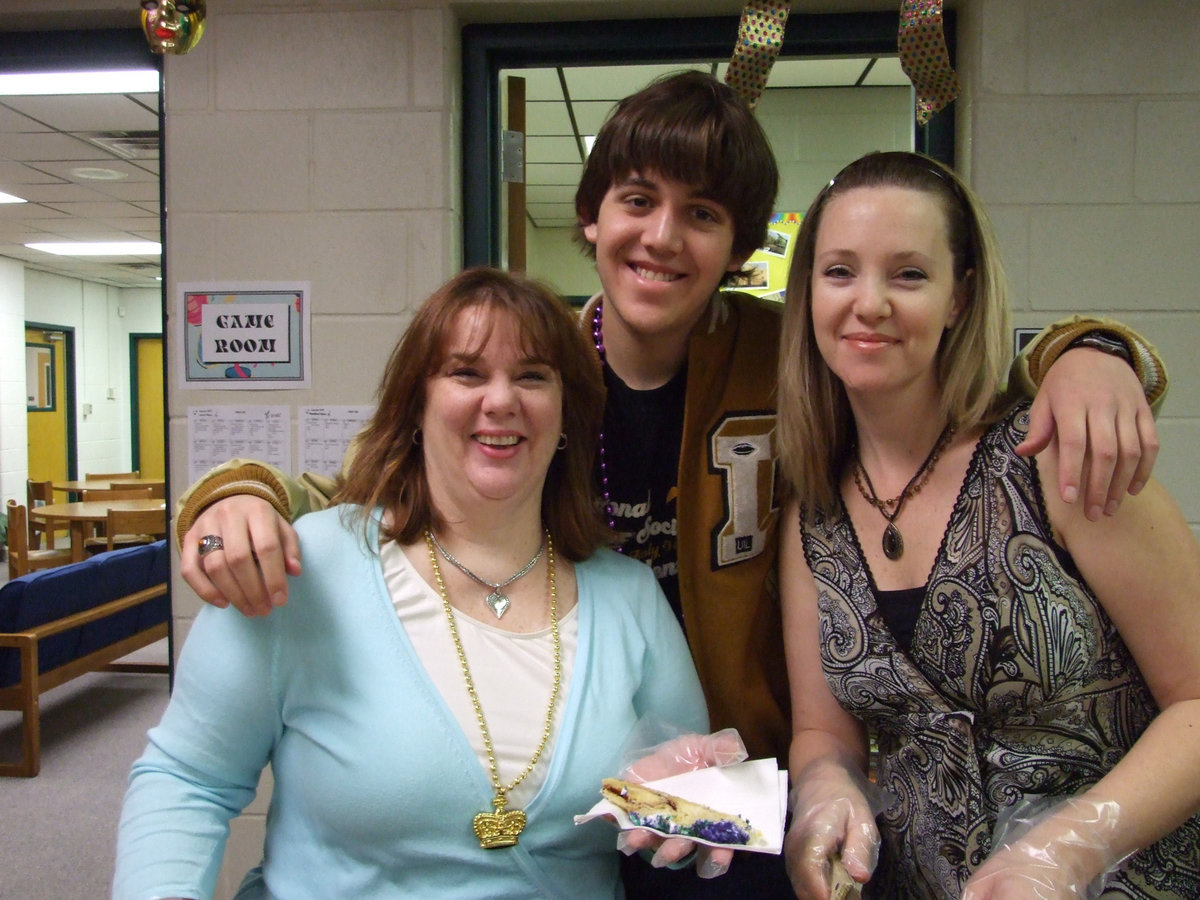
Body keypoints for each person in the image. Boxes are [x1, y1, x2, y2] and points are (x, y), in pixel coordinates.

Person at [170, 73, 1165, 897]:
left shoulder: (792, 354)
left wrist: (1090, 353)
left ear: (740, 250)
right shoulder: (542, 366)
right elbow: (388, 475)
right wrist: (238, 490)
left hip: (745, 770)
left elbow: (932, 370)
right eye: (638, 201)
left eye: (702, 215)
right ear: (592, 219)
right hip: (567, 749)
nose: (662, 237)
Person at [113, 268, 719, 899]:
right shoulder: (306, 570)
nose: (502, 399)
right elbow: (186, 779)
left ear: (566, 416)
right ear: (415, 406)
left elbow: (682, 812)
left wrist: (702, 813)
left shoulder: (629, 597)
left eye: (533, 376)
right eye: (467, 373)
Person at [775, 151, 1200, 899]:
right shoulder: (813, 517)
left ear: (960, 297)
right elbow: (825, 734)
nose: (868, 302)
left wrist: (1068, 852)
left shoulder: (1056, 458)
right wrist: (823, 794)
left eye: (908, 274)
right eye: (839, 272)